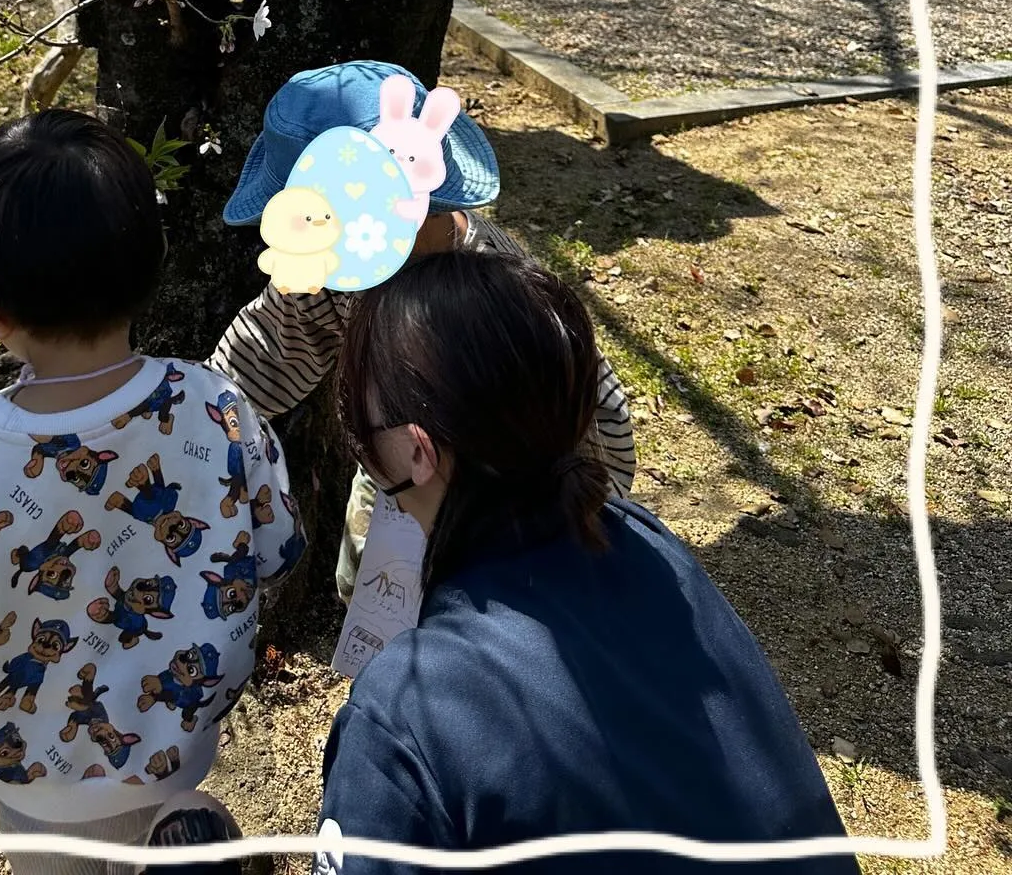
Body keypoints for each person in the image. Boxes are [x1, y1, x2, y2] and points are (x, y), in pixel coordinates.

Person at [317, 248, 860, 875]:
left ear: (419, 453)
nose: (359, 446)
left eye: (360, 426)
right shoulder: (647, 544)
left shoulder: (408, 714)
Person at [0, 109, 304, 875]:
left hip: (33, 777)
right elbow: (277, 549)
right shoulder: (219, 406)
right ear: (151, 261)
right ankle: (187, 837)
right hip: (178, 749)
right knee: (167, 846)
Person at [207, 60, 636, 600]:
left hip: (527, 490)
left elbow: (589, 417)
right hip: (403, 479)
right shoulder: (326, 282)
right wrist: (187, 417)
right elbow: (256, 360)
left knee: (524, 599)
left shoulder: (502, 290)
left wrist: (601, 501)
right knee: (377, 596)